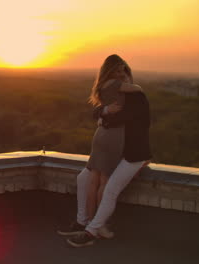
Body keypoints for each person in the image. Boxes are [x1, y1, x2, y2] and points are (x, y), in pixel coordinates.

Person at [57, 55, 142, 237]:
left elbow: (99, 110)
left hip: (101, 136)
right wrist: (128, 80)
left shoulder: (102, 85)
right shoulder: (119, 86)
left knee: (91, 181)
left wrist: (103, 112)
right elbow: (137, 89)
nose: (121, 74)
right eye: (118, 70)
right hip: (113, 137)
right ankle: (95, 222)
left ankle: (86, 220)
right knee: (104, 182)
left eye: (123, 71)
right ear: (110, 71)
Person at [65, 80, 152, 247]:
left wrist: (103, 118)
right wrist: (104, 112)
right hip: (119, 153)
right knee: (83, 179)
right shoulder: (121, 97)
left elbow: (118, 118)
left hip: (133, 156)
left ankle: (92, 230)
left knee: (110, 189)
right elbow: (98, 112)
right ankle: (83, 221)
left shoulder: (137, 98)